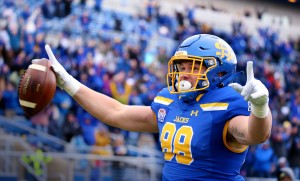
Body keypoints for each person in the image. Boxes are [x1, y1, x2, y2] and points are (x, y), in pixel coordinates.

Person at [37, 34, 272, 180]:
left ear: (219, 71)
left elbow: (255, 134)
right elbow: (115, 112)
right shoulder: (169, 101)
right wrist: (68, 82)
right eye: (181, 66)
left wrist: (261, 108)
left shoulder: (227, 103)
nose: (183, 73)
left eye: (193, 66)